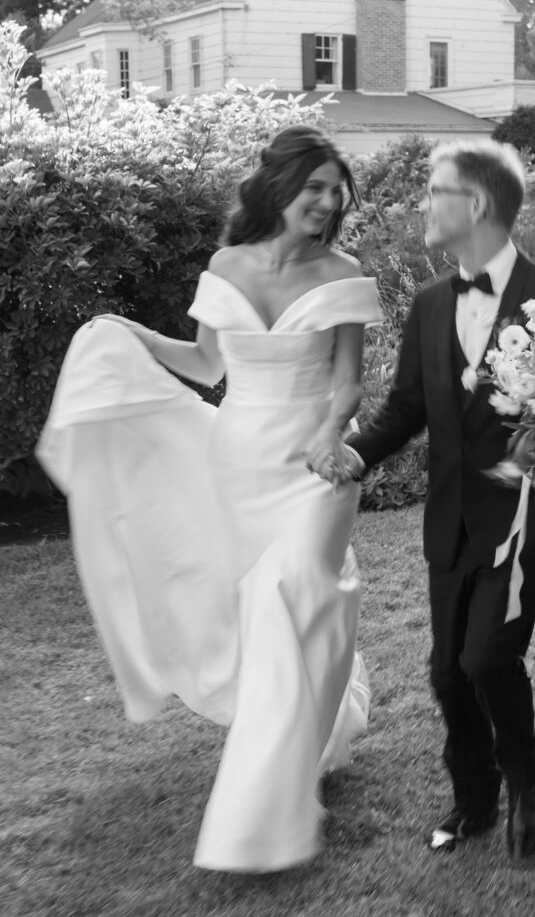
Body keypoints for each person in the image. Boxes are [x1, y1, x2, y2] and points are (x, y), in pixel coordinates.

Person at [36, 125, 382, 872]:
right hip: (238, 461)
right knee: (271, 618)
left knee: (295, 596)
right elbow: (203, 360)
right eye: (315, 186)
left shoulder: (343, 273)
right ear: (280, 188)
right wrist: (126, 331)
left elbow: (349, 383)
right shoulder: (225, 265)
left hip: (314, 472)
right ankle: (313, 734)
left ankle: (261, 818)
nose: (328, 201)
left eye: (335, 190)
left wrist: (330, 434)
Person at [321, 140, 535, 861]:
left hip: (522, 519)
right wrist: (353, 454)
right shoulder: (426, 302)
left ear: (473, 204)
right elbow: (406, 406)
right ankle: (473, 801)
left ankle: (526, 785)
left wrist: (524, 478)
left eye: (432, 191)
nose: (421, 204)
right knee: (447, 672)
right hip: (448, 521)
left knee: (484, 660)